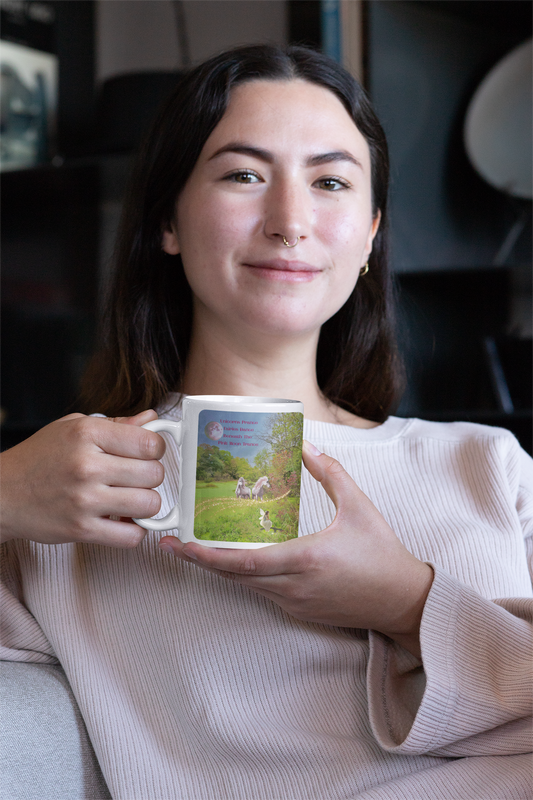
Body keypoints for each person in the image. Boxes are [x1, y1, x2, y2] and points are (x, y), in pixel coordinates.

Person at [1, 44, 533, 800]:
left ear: (371, 232)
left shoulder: (486, 464)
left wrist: (407, 603)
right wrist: (4, 493)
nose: (289, 222)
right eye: (244, 174)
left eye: (330, 182)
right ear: (168, 221)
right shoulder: (73, 494)